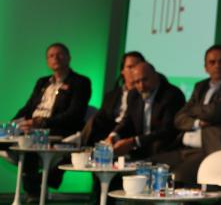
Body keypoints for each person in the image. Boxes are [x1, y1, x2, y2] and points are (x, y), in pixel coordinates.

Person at [152, 44, 221, 184]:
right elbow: (179, 119)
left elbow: (215, 112)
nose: (217, 65)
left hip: (214, 149)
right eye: (212, 62)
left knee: (177, 176)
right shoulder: (201, 86)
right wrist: (197, 122)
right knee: (149, 165)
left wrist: (192, 108)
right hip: (186, 148)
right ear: (205, 67)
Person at [12, 42, 91, 195]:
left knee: (28, 142)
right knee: (8, 140)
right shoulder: (42, 82)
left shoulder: (80, 82)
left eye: (60, 54)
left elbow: (74, 114)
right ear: (47, 61)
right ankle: (36, 184)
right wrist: (13, 124)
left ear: (69, 58)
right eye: (51, 56)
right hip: (31, 128)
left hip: (57, 129)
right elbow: (28, 108)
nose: (56, 58)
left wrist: (41, 122)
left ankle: (34, 189)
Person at [108, 61, 186, 159]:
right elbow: (128, 120)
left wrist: (134, 142)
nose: (141, 86)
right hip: (140, 149)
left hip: (165, 148)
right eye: (137, 82)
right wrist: (114, 135)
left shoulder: (172, 95)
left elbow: (167, 131)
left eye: (145, 80)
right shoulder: (133, 94)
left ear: (155, 76)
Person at [81, 51, 145, 146]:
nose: (134, 70)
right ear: (122, 71)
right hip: (109, 129)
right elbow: (102, 116)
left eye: (137, 66)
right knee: (94, 121)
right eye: (130, 67)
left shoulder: (146, 94)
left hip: (131, 130)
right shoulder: (111, 95)